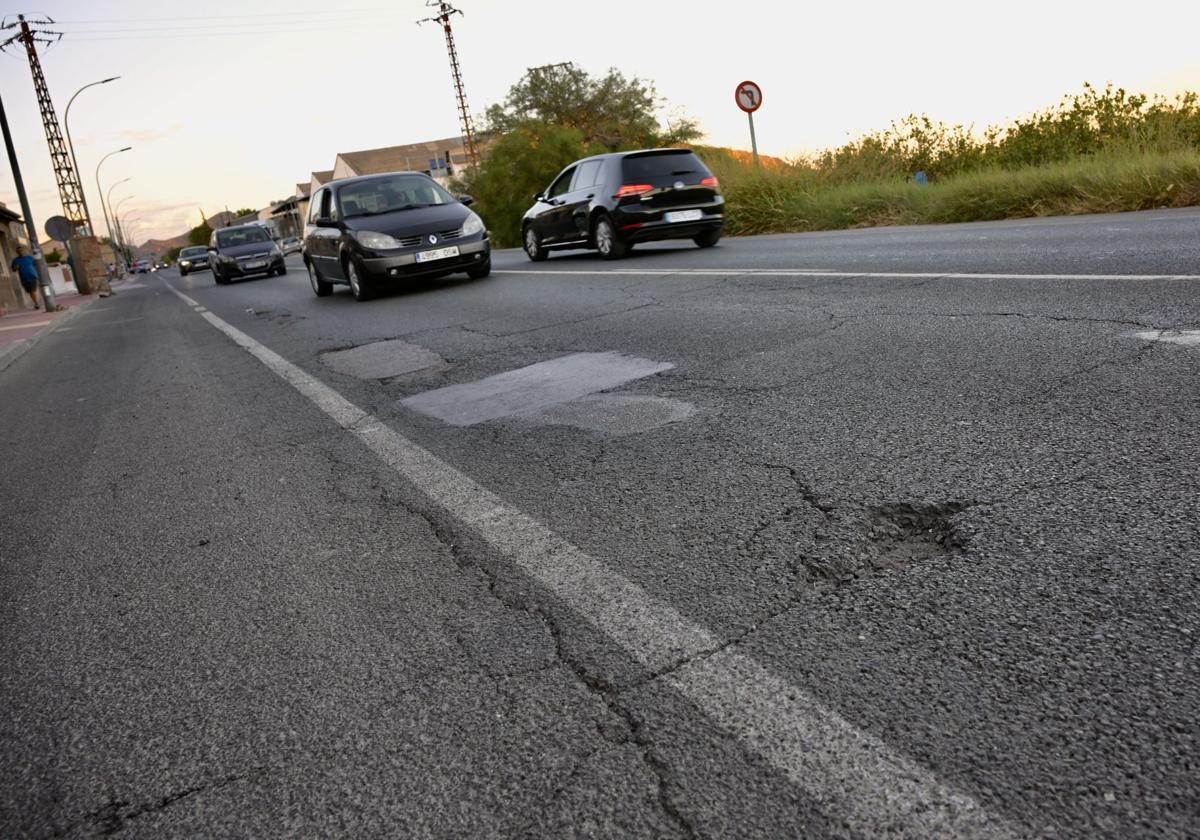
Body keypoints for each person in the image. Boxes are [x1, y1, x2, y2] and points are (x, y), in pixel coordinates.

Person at [10, 245, 40, 309]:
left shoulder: (30, 258)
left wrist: (37, 273)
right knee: (29, 291)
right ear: (17, 252)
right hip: (24, 278)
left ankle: (36, 303)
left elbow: (36, 265)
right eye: (18, 251)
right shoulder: (15, 260)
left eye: (21, 250)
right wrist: (16, 268)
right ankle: (35, 302)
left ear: (24, 251)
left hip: (32, 276)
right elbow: (13, 269)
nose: (20, 252)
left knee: (32, 290)